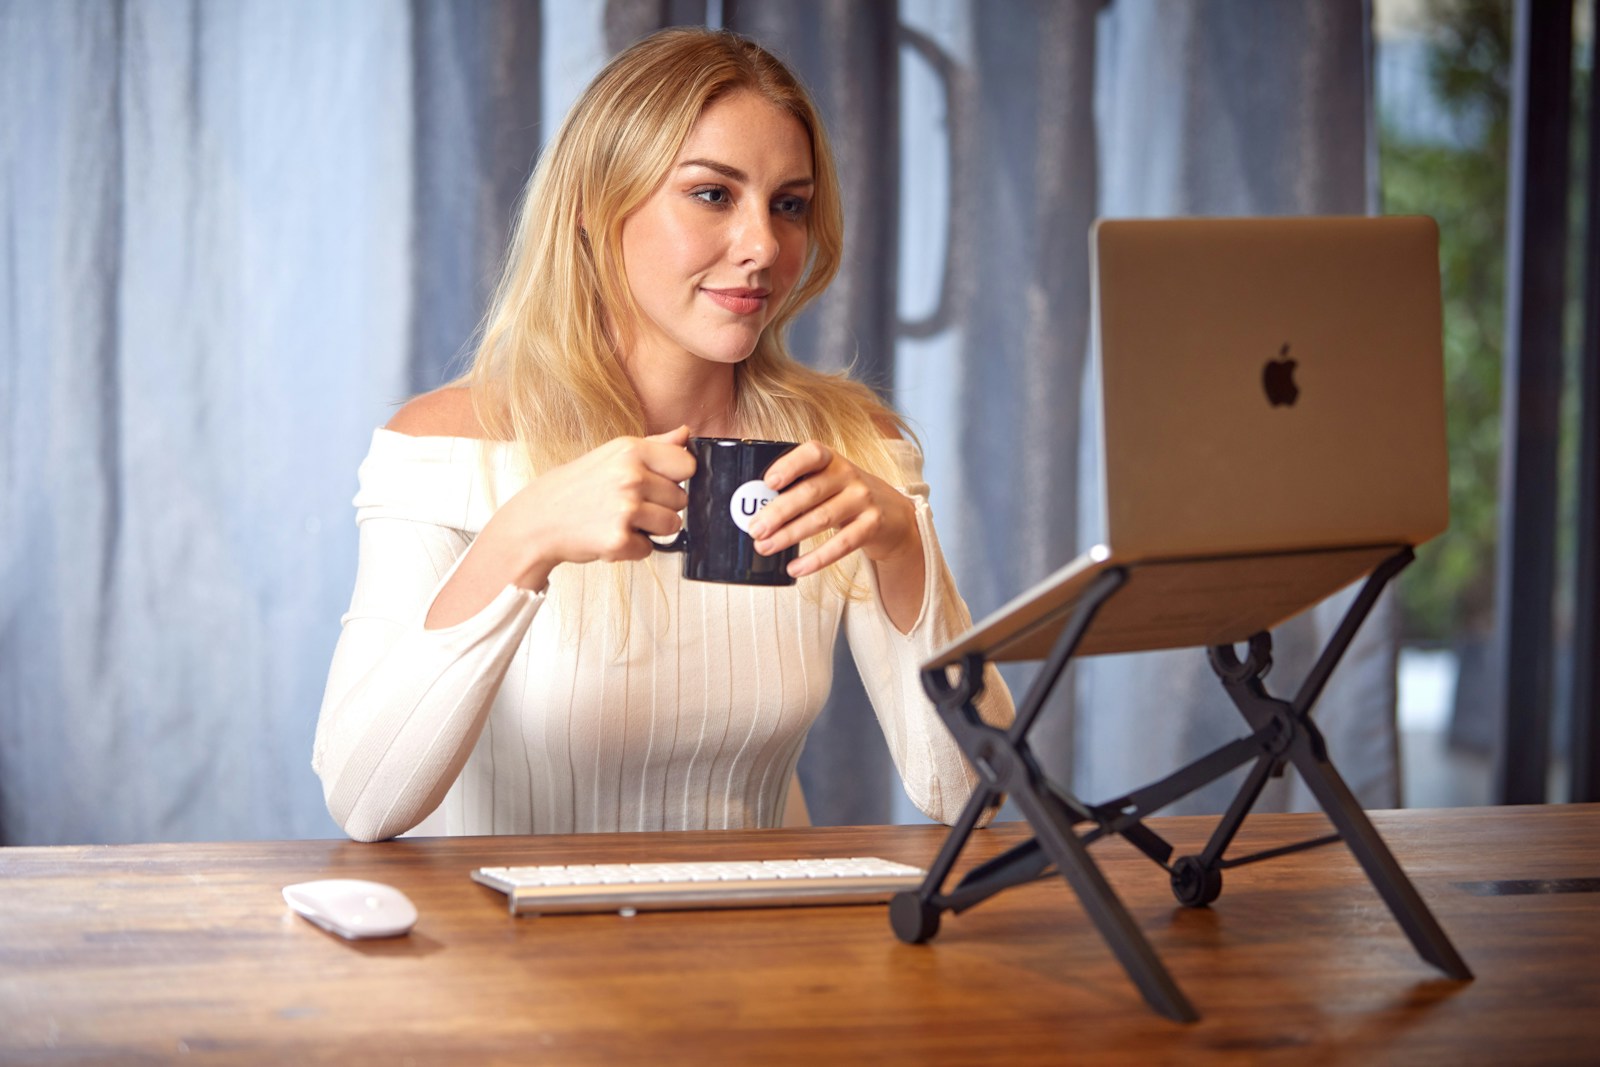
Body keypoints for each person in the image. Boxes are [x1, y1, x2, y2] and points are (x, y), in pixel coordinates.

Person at [312, 26, 1013, 842]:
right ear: (593, 203)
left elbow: (971, 794)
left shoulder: (849, 446)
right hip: (500, 961)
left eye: (789, 205)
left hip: (761, 952)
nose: (762, 247)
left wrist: (904, 546)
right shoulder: (440, 450)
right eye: (713, 194)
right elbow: (363, 801)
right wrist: (524, 534)